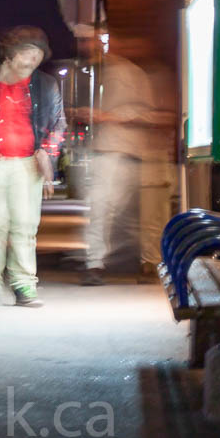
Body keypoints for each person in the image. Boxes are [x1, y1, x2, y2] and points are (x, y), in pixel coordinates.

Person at [0, 26, 66, 306]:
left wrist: (47, 153)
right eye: (27, 52)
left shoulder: (46, 84)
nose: (33, 59)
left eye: (38, 54)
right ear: (8, 54)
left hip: (28, 165)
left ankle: (24, 284)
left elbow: (59, 123)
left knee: (24, 225)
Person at [74, 46, 176, 285]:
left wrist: (106, 116)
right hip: (123, 152)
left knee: (109, 209)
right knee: (109, 209)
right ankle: (100, 263)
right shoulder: (114, 72)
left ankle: (102, 263)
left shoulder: (128, 73)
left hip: (121, 152)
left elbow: (149, 114)